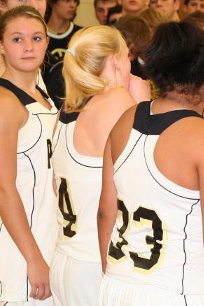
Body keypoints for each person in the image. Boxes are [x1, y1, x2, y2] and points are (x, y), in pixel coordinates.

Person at [97, 21, 204, 306]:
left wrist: (111, 275)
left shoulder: (125, 119)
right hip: (177, 290)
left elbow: (105, 212)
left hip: (117, 283)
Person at [50, 26, 150, 306]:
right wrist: (142, 104)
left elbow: (55, 186)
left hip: (66, 257)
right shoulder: (116, 101)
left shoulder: (66, 110)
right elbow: (146, 176)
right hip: (97, 262)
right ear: (116, 60)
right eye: (127, 56)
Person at [0, 6, 58, 304]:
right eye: (17, 39)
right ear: (1, 46)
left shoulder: (44, 96)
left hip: (50, 236)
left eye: (36, 38)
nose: (28, 47)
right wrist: (33, 258)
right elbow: (3, 188)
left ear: (47, 43)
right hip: (20, 249)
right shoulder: (5, 103)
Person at [44, 0, 83, 107]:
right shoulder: (38, 35)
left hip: (75, 100)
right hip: (46, 99)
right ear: (52, 2)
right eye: (67, 0)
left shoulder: (81, 34)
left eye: (75, 1)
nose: (72, 5)